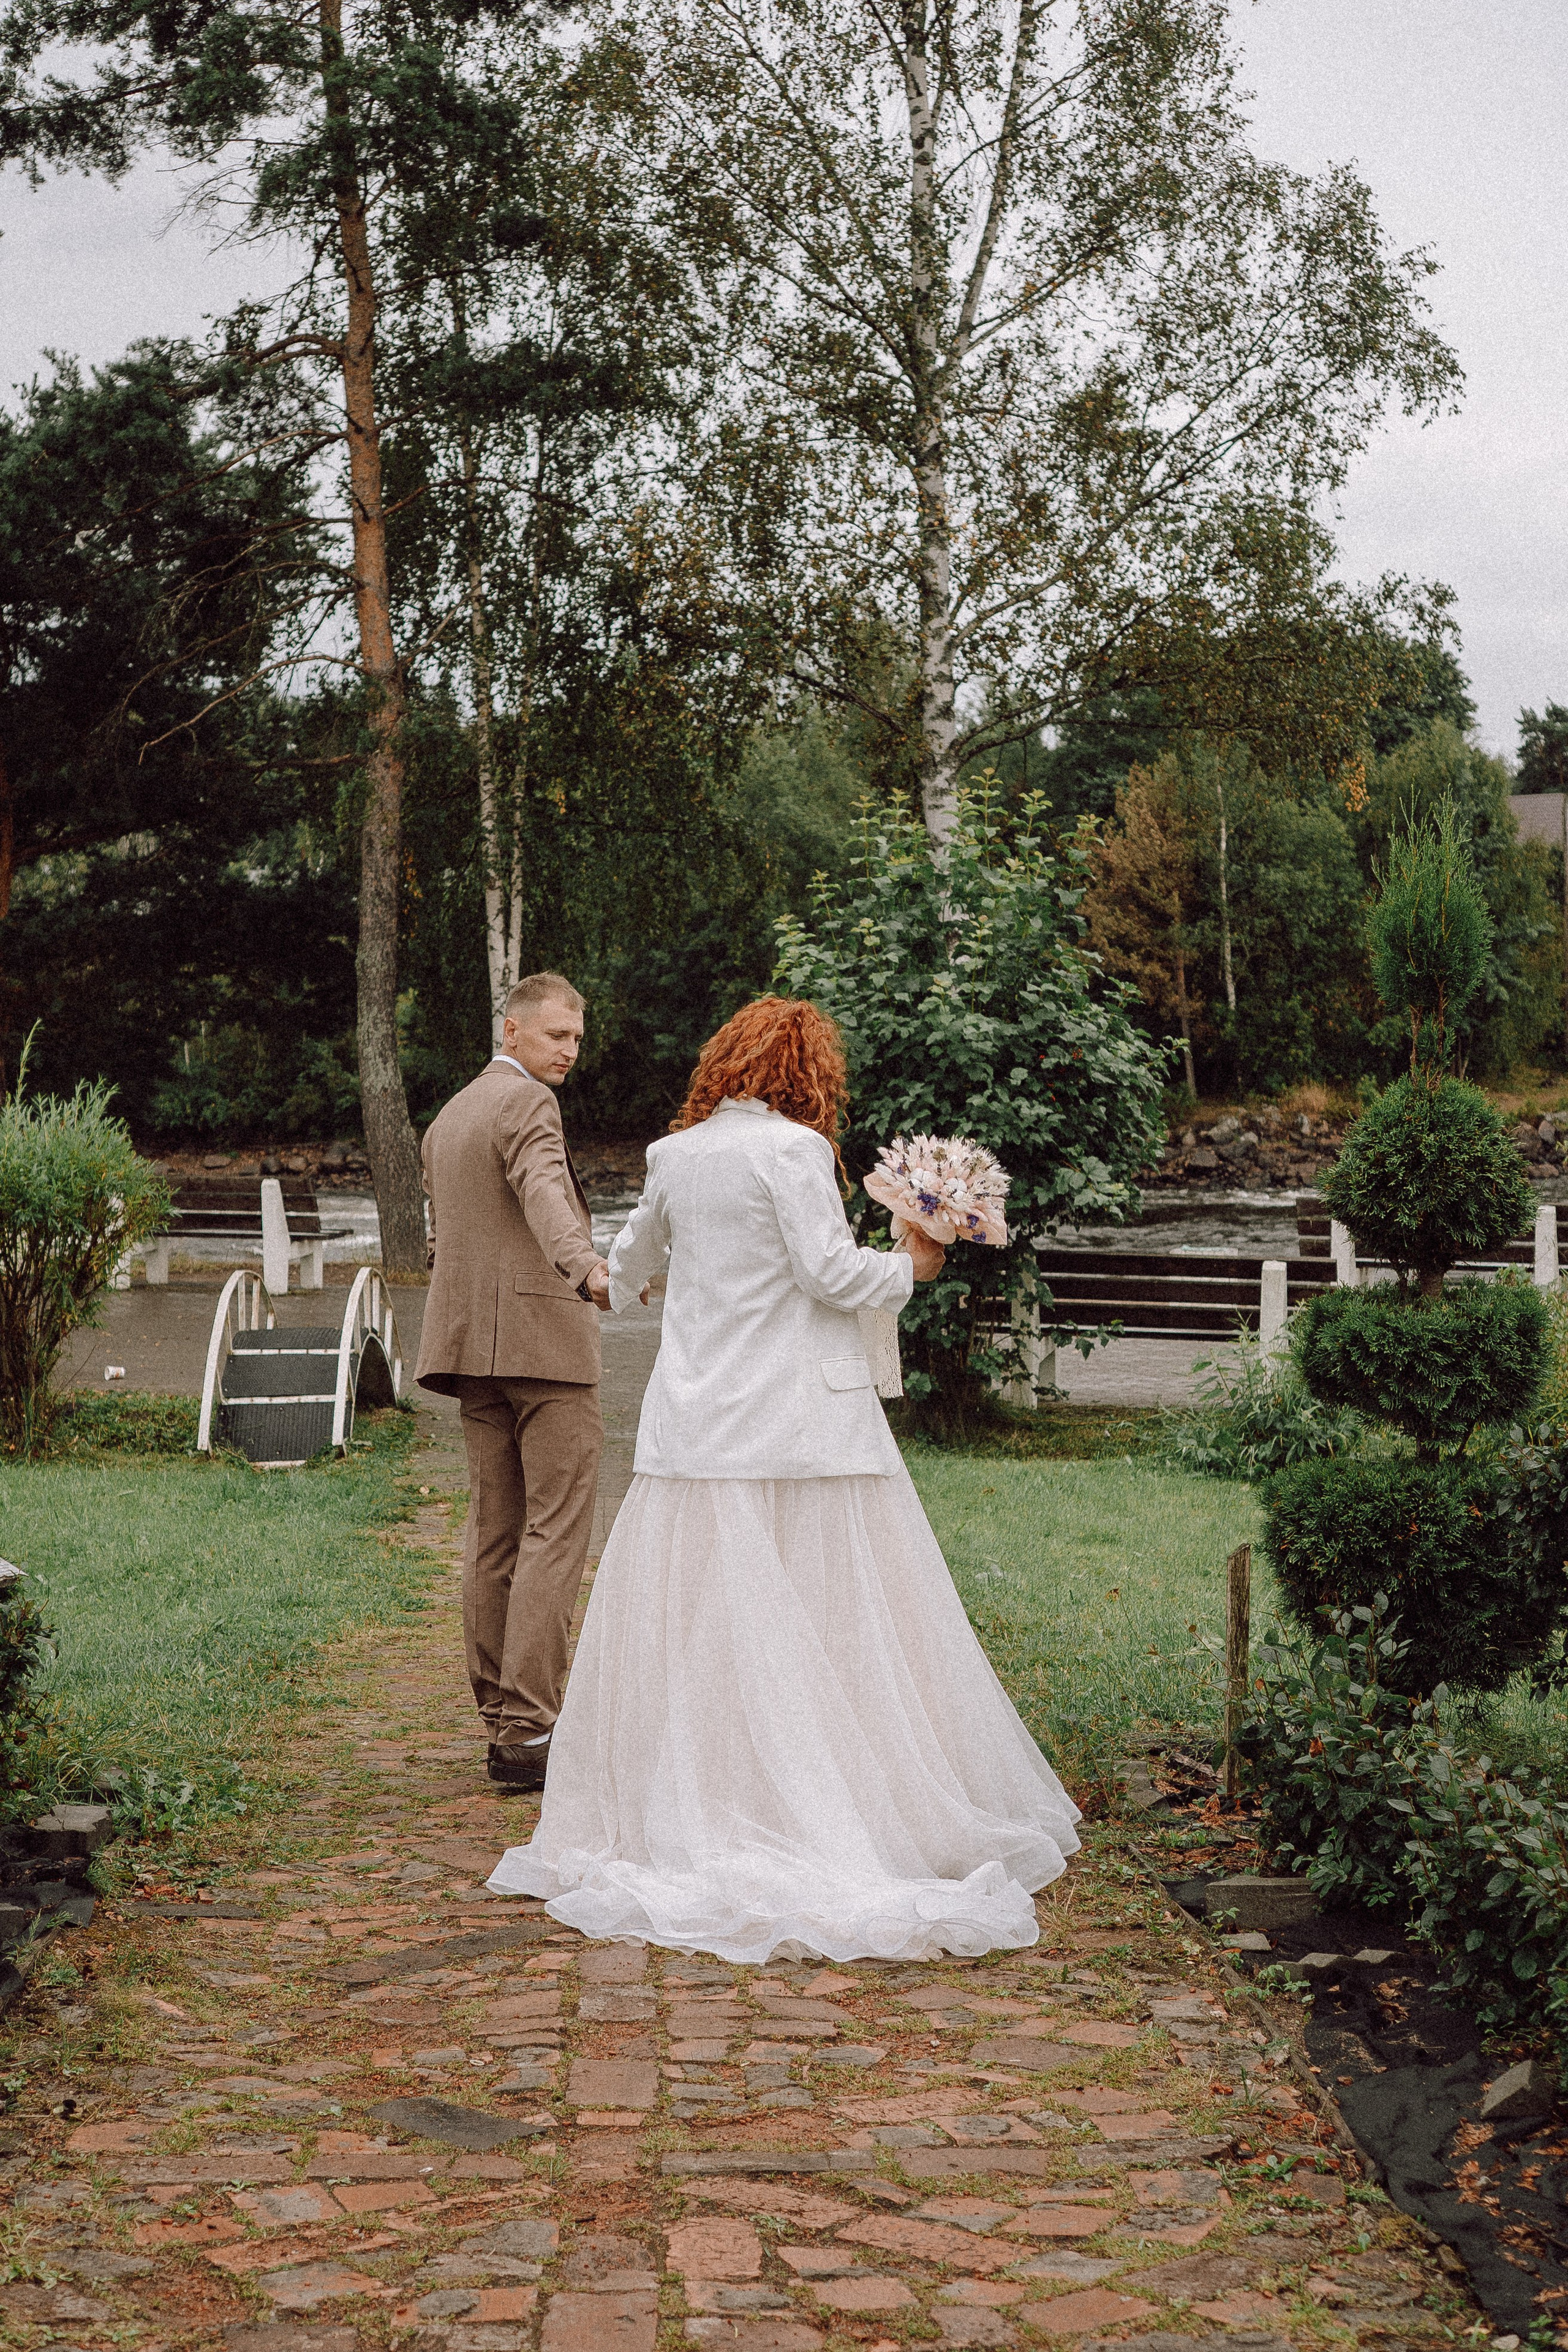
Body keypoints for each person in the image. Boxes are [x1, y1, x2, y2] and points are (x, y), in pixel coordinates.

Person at [488, 995, 1080, 1958]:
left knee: (712, 1621)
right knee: (824, 1613)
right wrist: (914, 1265)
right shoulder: (796, 1152)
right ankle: (812, 1793)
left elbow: (625, 1271)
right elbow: (828, 1273)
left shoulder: (672, 1157)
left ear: (725, 1065)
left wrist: (608, 1277)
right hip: (802, 1425)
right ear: (806, 1077)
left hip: (698, 1426)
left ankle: (711, 1792)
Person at [415, 973, 611, 1792]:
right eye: (557, 1035)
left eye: (576, 1038)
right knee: (555, 1531)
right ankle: (531, 1729)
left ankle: (502, 1721)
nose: (570, 1051)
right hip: (544, 1346)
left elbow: (449, 1237)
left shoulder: (451, 1114)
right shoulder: (529, 1103)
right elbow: (541, 1191)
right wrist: (586, 1267)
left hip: (471, 1350)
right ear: (513, 1030)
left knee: (495, 1532)